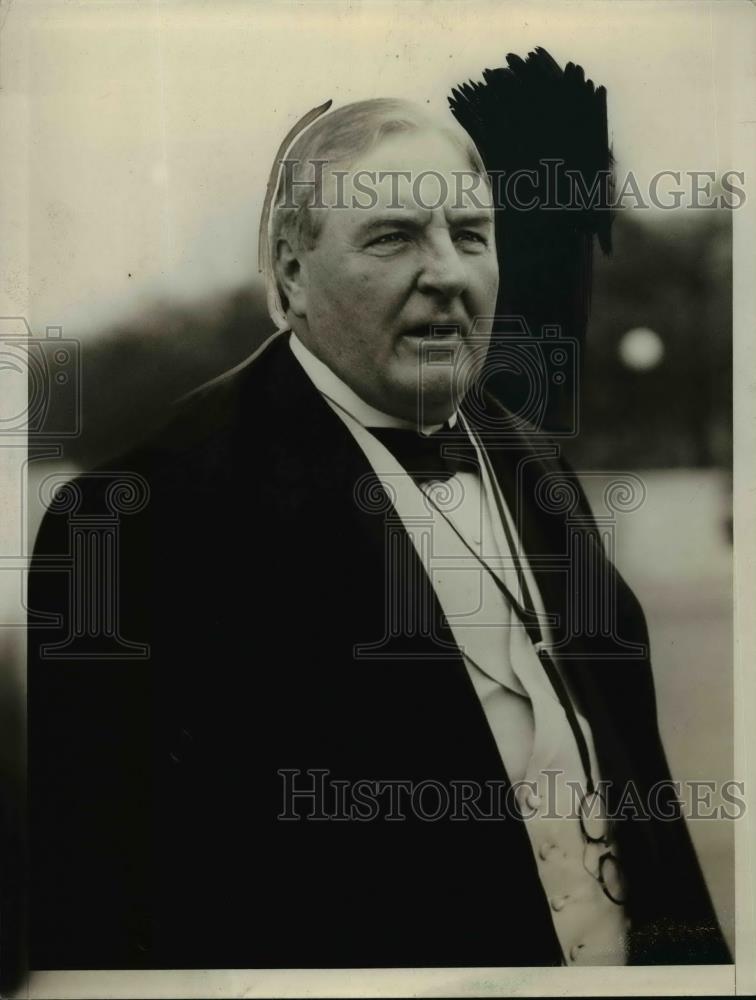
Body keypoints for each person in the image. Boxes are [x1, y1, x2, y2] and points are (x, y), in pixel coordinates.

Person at [27, 98, 730, 970]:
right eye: (394, 236)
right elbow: (95, 910)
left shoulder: (539, 471)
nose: (447, 272)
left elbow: (643, 799)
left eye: (470, 234)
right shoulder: (132, 520)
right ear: (290, 276)